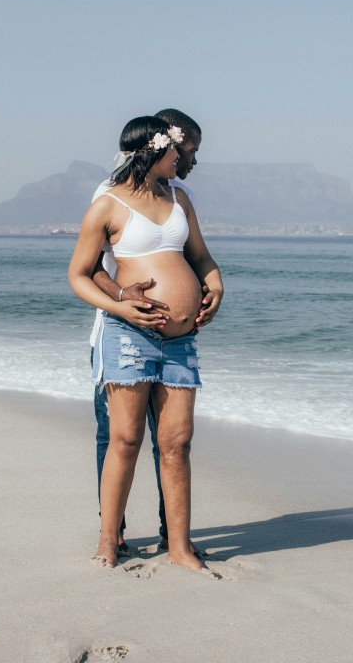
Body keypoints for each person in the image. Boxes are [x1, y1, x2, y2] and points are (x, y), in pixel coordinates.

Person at [68, 116, 223, 572]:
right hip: (128, 334)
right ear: (152, 152)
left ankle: (179, 547)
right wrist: (120, 304)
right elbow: (80, 273)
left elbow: (201, 257)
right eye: (177, 149)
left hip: (181, 340)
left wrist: (215, 286)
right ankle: (108, 542)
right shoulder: (107, 202)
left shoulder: (180, 200)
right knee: (125, 439)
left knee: (177, 444)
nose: (184, 157)